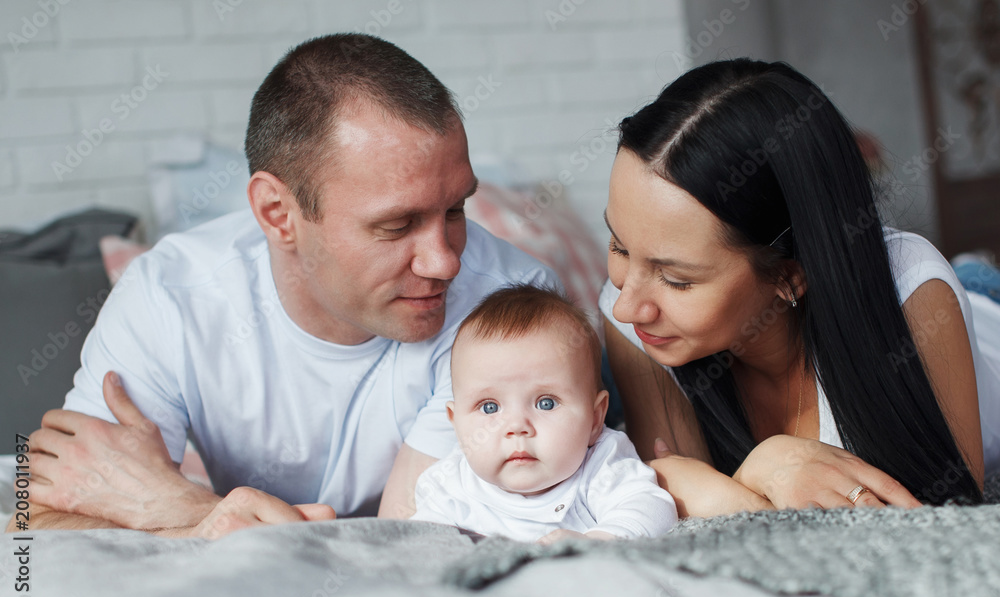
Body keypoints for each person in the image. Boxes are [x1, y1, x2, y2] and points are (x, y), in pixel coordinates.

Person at [9, 34, 559, 537]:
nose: (444, 262)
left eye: (456, 209)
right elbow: (40, 520)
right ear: (277, 214)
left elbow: (422, 548)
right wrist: (200, 515)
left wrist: (179, 508)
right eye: (396, 226)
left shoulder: (516, 307)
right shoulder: (169, 297)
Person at [600, 58, 1000, 517]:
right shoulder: (627, 308)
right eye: (619, 245)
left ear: (789, 276)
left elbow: (947, 513)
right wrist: (763, 466)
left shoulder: (911, 291)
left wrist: (734, 477)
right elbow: (667, 490)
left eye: (677, 280)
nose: (628, 306)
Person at [409, 285, 678, 542]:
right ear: (456, 424)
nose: (517, 427)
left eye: (546, 403)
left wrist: (601, 540)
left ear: (595, 419)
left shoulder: (601, 466)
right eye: (489, 407)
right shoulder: (450, 486)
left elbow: (653, 508)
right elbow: (419, 549)